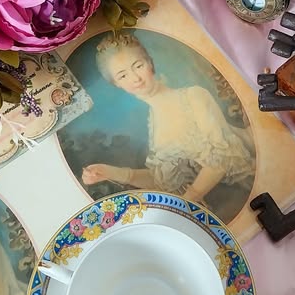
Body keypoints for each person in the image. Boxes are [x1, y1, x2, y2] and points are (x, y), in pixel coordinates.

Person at [80, 33, 256, 221]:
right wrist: (109, 172)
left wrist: (185, 203)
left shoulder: (194, 96)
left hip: (251, 190)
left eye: (138, 66)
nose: (135, 78)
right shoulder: (154, 121)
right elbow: (163, 182)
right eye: (123, 75)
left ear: (150, 63)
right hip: (219, 208)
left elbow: (222, 161)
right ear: (116, 84)